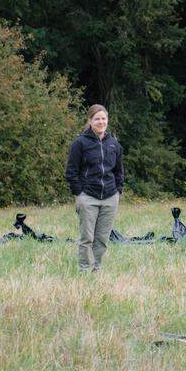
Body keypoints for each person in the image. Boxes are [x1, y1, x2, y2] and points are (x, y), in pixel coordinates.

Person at [65, 104, 124, 272]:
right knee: (87, 238)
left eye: (103, 118)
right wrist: (79, 193)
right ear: (90, 121)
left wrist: (118, 191)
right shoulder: (80, 143)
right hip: (88, 197)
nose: (101, 122)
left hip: (110, 197)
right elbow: (71, 171)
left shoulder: (114, 144)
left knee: (102, 238)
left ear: (107, 120)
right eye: (97, 118)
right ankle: (85, 270)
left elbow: (119, 170)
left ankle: (96, 269)